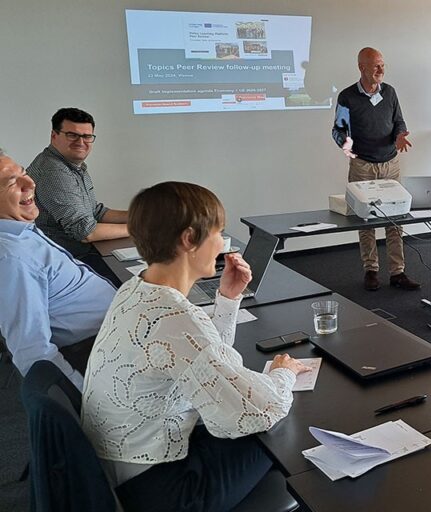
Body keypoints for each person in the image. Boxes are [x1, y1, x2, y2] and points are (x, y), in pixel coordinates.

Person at [82, 182, 310, 512]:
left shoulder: (136, 289)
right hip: (165, 490)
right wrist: (283, 374)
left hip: (127, 466)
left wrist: (228, 298)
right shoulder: (174, 316)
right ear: (189, 239)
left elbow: (202, 359)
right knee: (285, 422)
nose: (224, 243)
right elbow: (262, 409)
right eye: (218, 232)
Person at [0, 149, 115, 389]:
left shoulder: (19, 230)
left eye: (23, 173)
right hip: (94, 352)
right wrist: (85, 404)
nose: (30, 183)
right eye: (12, 183)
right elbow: (33, 351)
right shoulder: (11, 258)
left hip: (108, 336)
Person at [332, 47, 420, 291]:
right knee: (366, 221)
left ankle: (397, 272)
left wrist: (400, 135)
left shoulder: (389, 92)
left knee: (395, 218)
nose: (381, 70)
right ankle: (371, 270)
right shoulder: (347, 97)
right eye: (376, 66)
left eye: (383, 65)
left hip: (390, 164)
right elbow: (337, 130)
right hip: (362, 167)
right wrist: (346, 145)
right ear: (362, 67)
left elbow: (398, 121)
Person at [26, 108, 129, 281]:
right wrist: (142, 229)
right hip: (68, 262)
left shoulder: (73, 166)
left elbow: (95, 212)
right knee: (137, 283)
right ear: (54, 136)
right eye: (72, 135)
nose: (81, 142)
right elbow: (85, 231)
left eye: (87, 136)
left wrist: (141, 216)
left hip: (81, 255)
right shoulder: (53, 171)